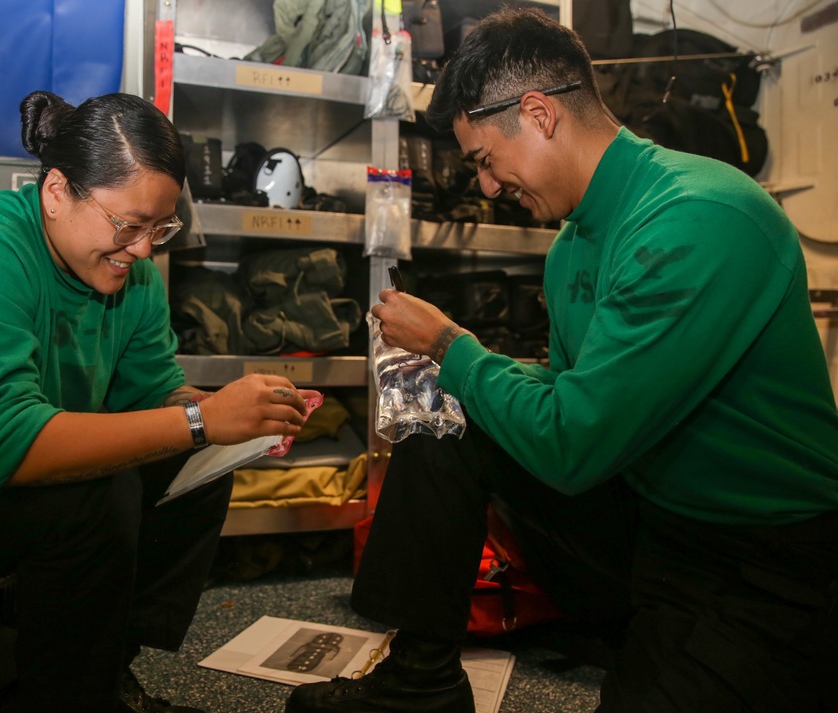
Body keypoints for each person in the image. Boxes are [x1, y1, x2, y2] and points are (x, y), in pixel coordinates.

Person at [286, 8, 838, 713]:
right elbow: (565, 395)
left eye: (484, 161)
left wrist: (452, 344)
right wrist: (457, 371)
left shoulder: (702, 217)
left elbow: (574, 442)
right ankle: (418, 683)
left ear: (540, 114)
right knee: (454, 411)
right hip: (651, 519)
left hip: (764, 562)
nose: (485, 188)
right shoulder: (574, 241)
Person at [0, 90, 318, 713]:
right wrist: (200, 419)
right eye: (129, 224)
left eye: (159, 227)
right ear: (58, 190)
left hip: (2, 452)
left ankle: (107, 662)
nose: (144, 249)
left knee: (198, 469)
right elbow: (5, 445)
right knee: (99, 495)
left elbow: (152, 392)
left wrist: (237, 414)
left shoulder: (130, 273)